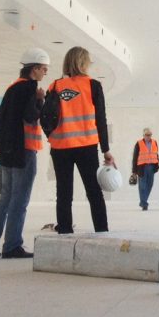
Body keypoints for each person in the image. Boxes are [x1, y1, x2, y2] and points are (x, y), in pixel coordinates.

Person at [0, 48, 50, 258]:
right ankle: (12, 246)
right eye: (44, 69)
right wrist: (40, 100)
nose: (45, 73)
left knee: (5, 198)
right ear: (34, 69)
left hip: (7, 152)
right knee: (20, 199)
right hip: (23, 150)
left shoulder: (12, 88)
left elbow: (3, 121)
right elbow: (30, 117)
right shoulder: (30, 88)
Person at [47, 46, 115, 234]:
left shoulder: (55, 86)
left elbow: (46, 117)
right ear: (84, 63)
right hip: (86, 146)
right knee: (94, 192)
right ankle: (102, 232)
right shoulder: (93, 85)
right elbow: (101, 119)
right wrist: (106, 149)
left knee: (63, 193)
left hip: (60, 146)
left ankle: (65, 233)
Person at [131, 127, 159, 210]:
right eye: (147, 135)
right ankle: (144, 203)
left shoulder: (155, 142)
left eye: (150, 135)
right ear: (143, 135)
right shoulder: (139, 143)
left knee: (150, 184)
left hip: (152, 167)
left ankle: (143, 201)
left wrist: (157, 164)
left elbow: (156, 154)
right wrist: (134, 171)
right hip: (142, 167)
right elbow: (135, 157)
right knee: (142, 186)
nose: (148, 136)